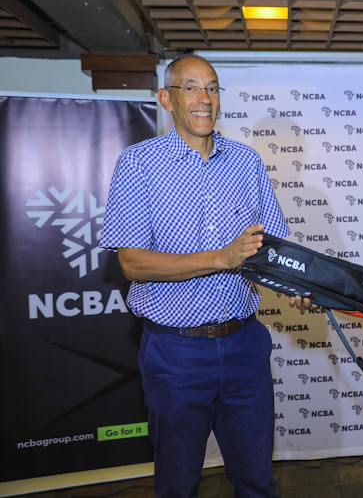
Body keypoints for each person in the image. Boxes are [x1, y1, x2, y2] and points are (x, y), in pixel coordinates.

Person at [100, 54, 292, 498]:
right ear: (167, 98)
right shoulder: (139, 164)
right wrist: (221, 258)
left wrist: (305, 287)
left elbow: (275, 251)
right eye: (192, 87)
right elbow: (132, 263)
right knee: (178, 482)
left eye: (213, 87)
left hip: (245, 346)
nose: (205, 99)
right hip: (176, 353)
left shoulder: (246, 162)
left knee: (257, 481)